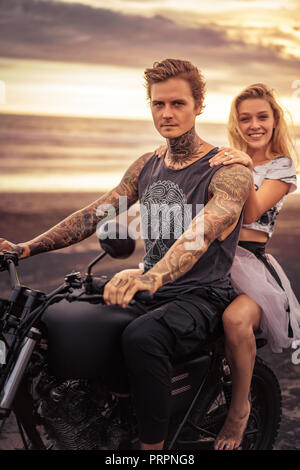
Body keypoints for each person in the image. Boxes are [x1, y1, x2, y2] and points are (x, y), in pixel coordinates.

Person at [0, 59, 252, 450]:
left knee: (143, 335)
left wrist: (150, 276)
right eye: (158, 104)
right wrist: (27, 247)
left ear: (199, 105)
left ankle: (151, 448)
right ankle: (105, 410)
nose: (166, 113)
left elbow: (202, 232)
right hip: (152, 288)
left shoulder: (228, 169)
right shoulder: (147, 165)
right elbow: (95, 212)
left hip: (201, 294)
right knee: (61, 312)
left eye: (178, 104)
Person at [155, 82, 300, 450]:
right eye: (245, 117)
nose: (254, 124)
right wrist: (169, 159)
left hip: (251, 267)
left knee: (235, 321)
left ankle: (239, 411)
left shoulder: (281, 167)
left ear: (274, 120)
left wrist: (243, 163)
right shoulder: (224, 155)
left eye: (262, 117)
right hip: (211, 257)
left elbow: (250, 211)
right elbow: (189, 177)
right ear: (236, 122)